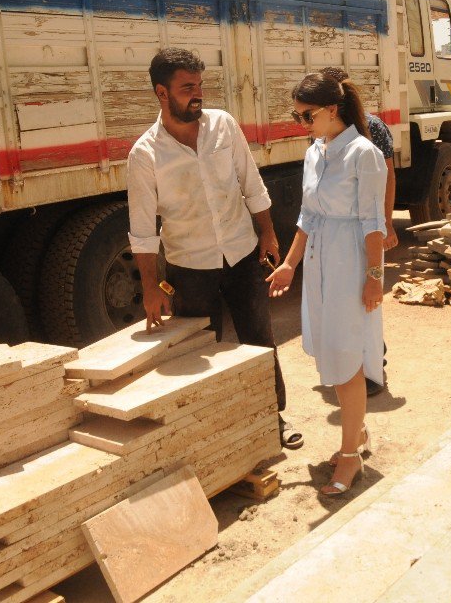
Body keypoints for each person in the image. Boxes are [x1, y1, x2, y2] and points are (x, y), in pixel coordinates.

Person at [127, 47, 303, 450]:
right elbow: (141, 229)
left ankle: (273, 419)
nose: (198, 94)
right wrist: (151, 288)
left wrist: (268, 235)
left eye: (200, 84)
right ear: (161, 92)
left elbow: (251, 183)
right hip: (190, 268)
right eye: (187, 87)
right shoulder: (145, 155)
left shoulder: (223, 124)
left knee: (258, 340)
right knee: (202, 350)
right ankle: (213, 435)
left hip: (242, 256)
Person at [266, 72, 386, 496]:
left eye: (307, 115)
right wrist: (289, 265)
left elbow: (375, 223)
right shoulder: (314, 153)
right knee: (332, 353)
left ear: (332, 110)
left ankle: (350, 456)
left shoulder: (364, 154)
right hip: (319, 262)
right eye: (297, 116)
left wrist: (374, 279)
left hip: (350, 262)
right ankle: (358, 435)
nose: (302, 123)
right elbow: (308, 216)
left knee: (346, 357)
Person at [319, 67, 394, 397]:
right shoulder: (325, 135)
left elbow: (387, 179)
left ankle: (373, 368)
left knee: (366, 301)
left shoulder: (372, 129)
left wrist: (386, 224)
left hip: (363, 233)